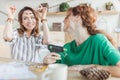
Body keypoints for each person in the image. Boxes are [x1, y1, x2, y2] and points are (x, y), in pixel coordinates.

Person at [43, 5, 120, 77]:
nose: (63, 21)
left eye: (66, 17)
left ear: (78, 17)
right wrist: (47, 62)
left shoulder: (99, 40)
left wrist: (91, 67)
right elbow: (53, 69)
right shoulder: (67, 47)